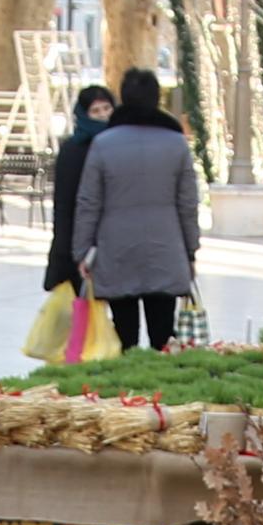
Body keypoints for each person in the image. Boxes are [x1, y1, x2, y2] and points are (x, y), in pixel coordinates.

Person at [72, 67, 201, 352]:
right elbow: (188, 203)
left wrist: (82, 251)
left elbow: (89, 202)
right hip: (165, 249)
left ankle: (126, 392)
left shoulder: (103, 144)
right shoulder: (176, 144)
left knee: (124, 336)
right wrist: (191, 249)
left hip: (117, 250)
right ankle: (160, 391)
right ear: (157, 99)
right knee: (163, 338)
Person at [39, 83, 117, 300]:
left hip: (115, 241)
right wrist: (64, 253)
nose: (102, 116)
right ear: (84, 114)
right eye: (95, 111)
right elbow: (64, 204)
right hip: (80, 242)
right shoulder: (73, 150)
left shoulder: (121, 145)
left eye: (106, 108)